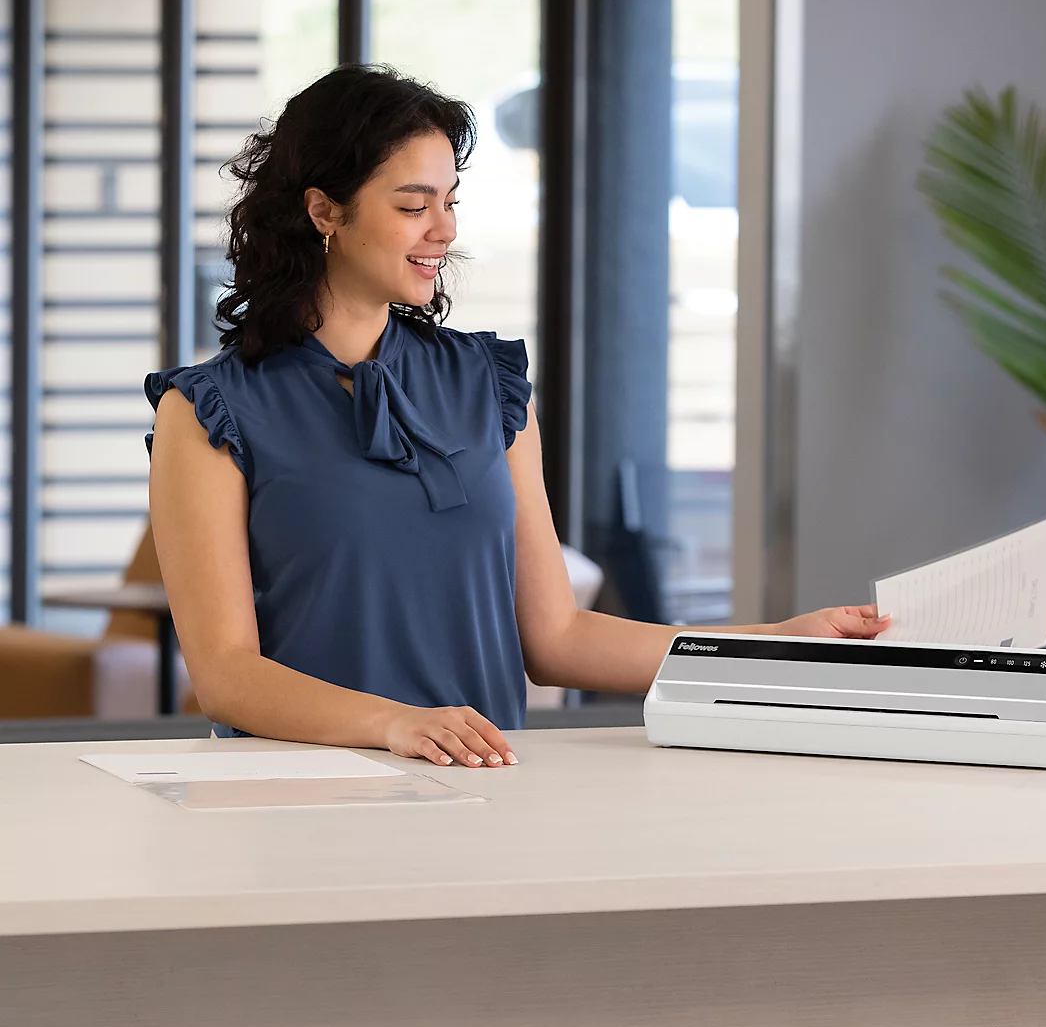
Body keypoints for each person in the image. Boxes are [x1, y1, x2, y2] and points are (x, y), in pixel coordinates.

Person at [146, 64, 889, 770]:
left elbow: (557, 636)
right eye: (413, 206)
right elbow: (226, 674)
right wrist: (393, 722)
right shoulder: (208, 413)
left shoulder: (488, 385)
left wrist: (773, 643)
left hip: (485, 789)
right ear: (322, 211)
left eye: (449, 201)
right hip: (294, 804)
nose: (443, 229)